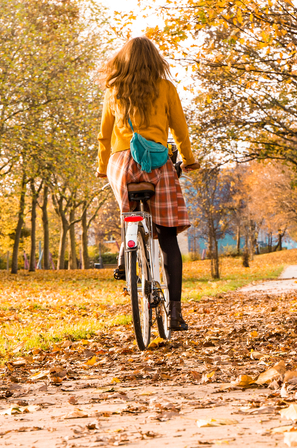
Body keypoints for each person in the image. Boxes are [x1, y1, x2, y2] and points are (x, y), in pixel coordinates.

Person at [96, 36, 198, 331]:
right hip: (156, 162)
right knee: (167, 236)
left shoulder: (113, 90)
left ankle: (125, 255)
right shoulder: (165, 87)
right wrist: (188, 159)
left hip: (122, 165)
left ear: (122, 60)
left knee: (130, 213)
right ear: (155, 59)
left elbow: (104, 136)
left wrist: (103, 168)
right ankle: (176, 313)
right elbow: (180, 128)